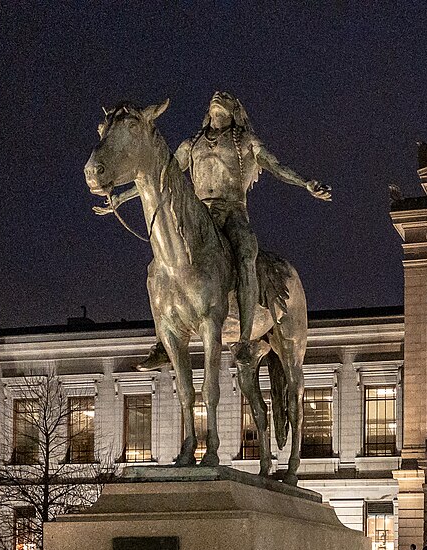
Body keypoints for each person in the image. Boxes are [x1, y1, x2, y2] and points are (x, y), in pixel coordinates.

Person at [98, 92, 331, 369]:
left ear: (235, 111)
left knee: (245, 254)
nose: (218, 97)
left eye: (225, 98)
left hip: (232, 213)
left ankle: (245, 339)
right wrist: (121, 197)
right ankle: (163, 340)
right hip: (200, 216)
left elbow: (276, 166)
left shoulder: (245, 141)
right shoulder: (192, 144)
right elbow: (161, 175)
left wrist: (305, 183)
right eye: (214, 98)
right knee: (157, 267)